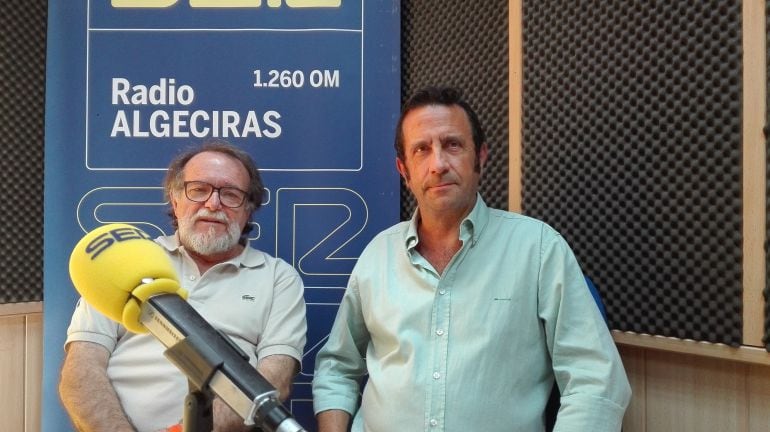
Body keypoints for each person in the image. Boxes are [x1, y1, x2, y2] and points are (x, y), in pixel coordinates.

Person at [312, 86, 631, 431]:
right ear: (403, 170)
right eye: (422, 150)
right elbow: (337, 366)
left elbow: (595, 378)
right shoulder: (377, 256)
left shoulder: (538, 249)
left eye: (452, 145)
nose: (438, 164)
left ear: (480, 157)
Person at [59, 141, 307, 432]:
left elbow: (273, 380)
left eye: (230, 194)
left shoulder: (279, 278)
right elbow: (81, 370)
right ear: (175, 200)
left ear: (248, 210)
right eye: (198, 190)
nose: (213, 204)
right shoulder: (128, 258)